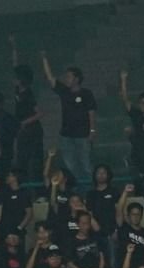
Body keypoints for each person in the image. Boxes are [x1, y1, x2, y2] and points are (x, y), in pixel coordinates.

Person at [41, 53, 98, 182]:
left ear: (77, 79)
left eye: (69, 76)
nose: (66, 79)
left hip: (83, 135)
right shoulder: (64, 91)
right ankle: (76, 190)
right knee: (70, 165)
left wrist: (92, 130)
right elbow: (51, 78)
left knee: (86, 164)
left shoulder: (86, 93)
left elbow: (91, 112)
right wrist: (45, 60)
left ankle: (89, 190)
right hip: (66, 135)